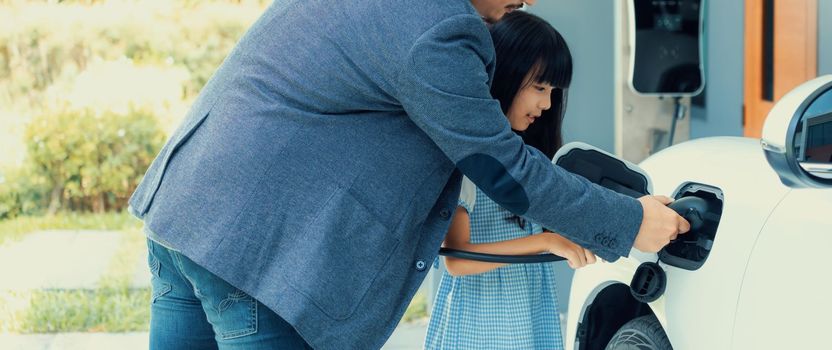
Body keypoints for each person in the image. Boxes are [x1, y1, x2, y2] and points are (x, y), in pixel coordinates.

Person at [130, 0, 690, 349]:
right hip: (257, 260)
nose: (529, 0)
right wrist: (628, 220)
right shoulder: (440, 29)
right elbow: (501, 166)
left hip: (185, 212)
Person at [425, 11, 583, 349]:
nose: (546, 103)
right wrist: (544, 243)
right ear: (507, 75)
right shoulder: (472, 161)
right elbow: (457, 259)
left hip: (528, 316)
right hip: (479, 323)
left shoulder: (529, 159)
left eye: (553, 91)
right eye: (539, 87)